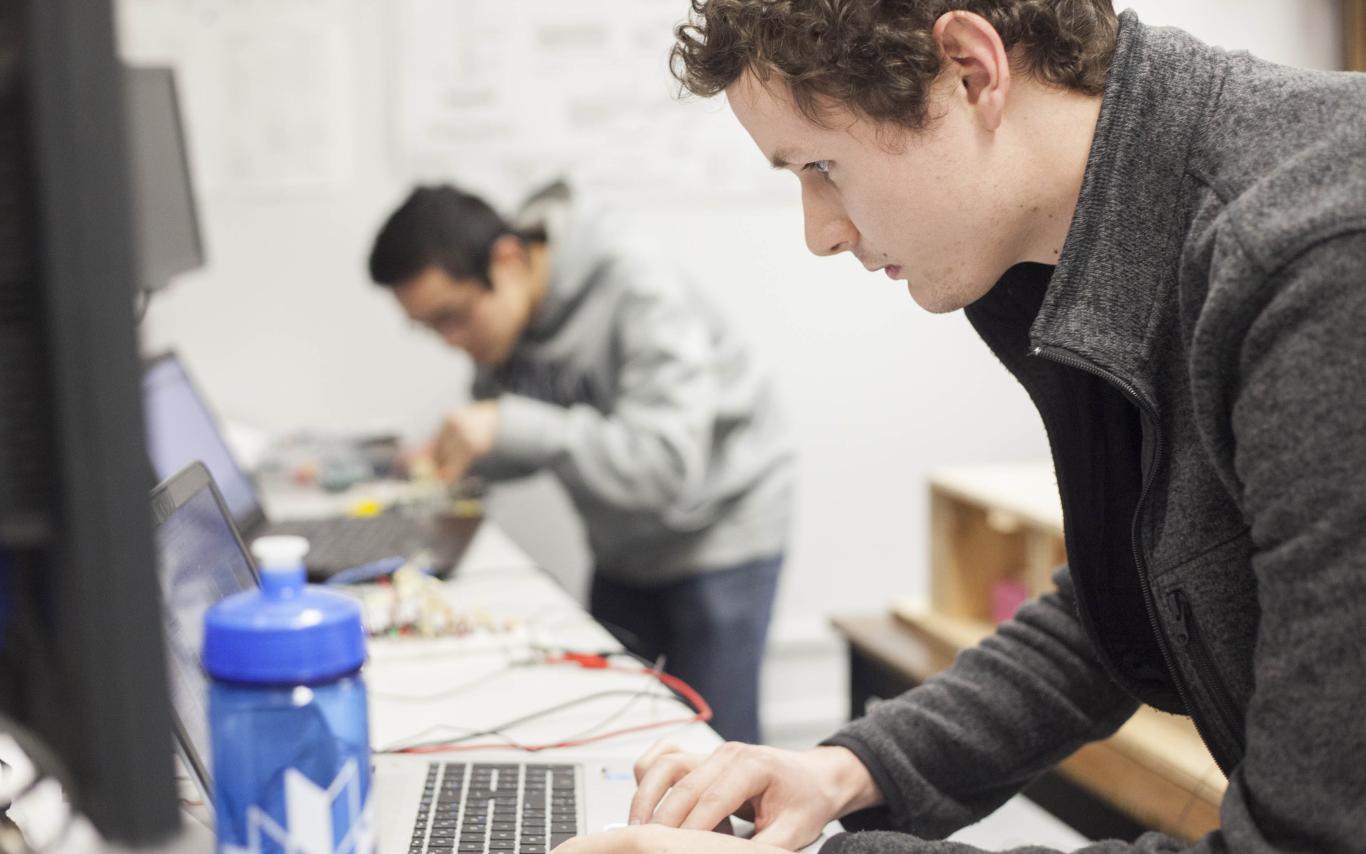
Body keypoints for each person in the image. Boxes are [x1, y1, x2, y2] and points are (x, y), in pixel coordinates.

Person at [555, 1, 1366, 852]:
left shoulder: (1313, 262)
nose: (819, 232)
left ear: (972, 71)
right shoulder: (1094, 230)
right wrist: (850, 770)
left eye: (822, 165)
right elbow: (1133, 595)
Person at [367, 180, 794, 745]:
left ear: (508, 258)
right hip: (622, 539)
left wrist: (506, 424)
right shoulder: (505, 319)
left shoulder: (635, 284)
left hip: (718, 528)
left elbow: (665, 466)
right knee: (620, 735)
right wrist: (464, 453)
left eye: (454, 317)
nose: (452, 342)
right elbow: (533, 437)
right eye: (431, 328)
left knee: (715, 752)